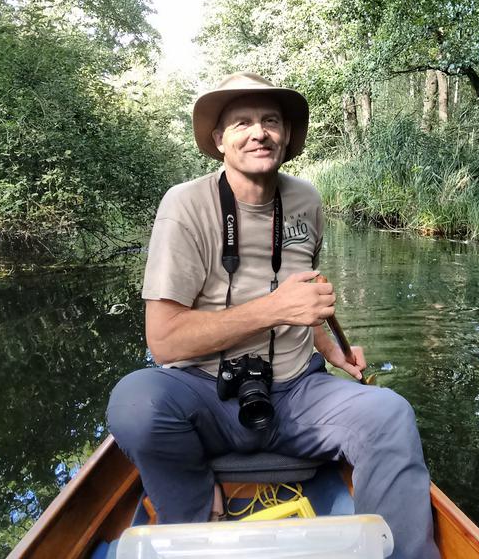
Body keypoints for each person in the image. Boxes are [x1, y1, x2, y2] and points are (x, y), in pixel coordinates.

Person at [106, 73, 439, 559]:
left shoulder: (306, 199)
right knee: (135, 402)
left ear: (286, 135)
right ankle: (195, 510)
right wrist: (272, 308)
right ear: (219, 140)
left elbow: (305, 298)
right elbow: (164, 341)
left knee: (390, 414)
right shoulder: (185, 205)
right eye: (241, 122)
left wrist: (332, 349)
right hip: (204, 389)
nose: (258, 132)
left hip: (298, 389)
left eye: (270, 121)